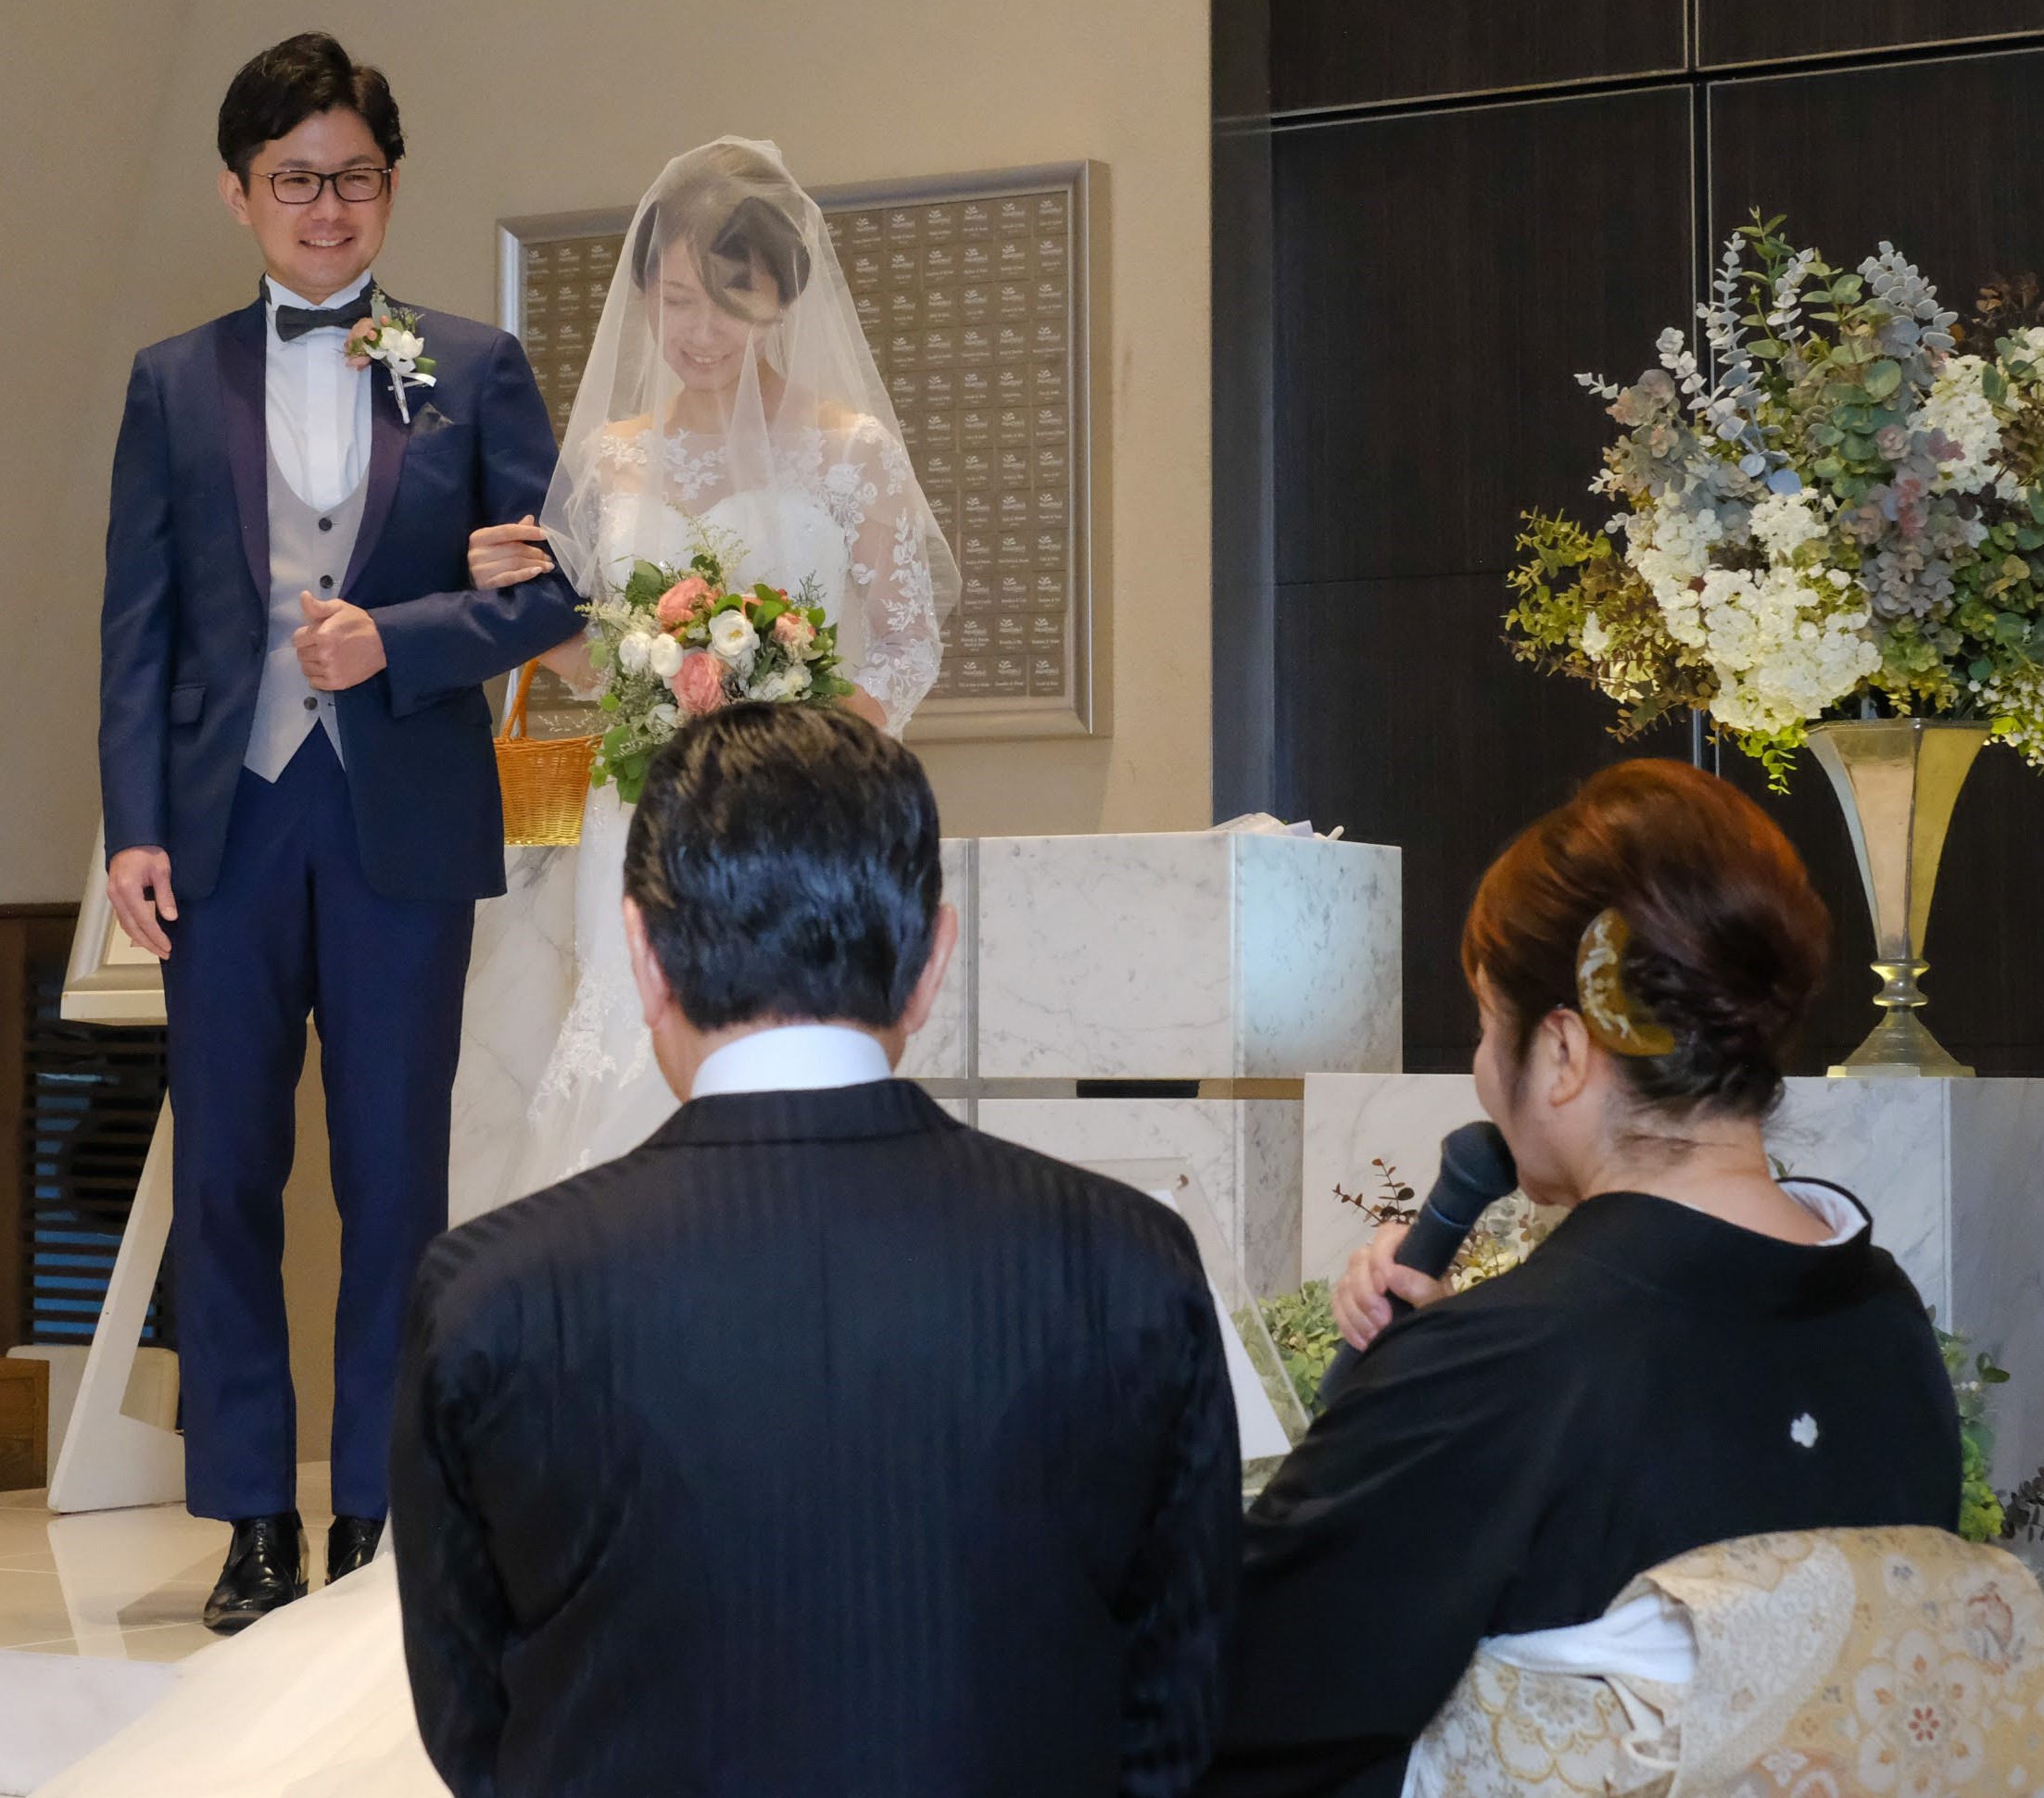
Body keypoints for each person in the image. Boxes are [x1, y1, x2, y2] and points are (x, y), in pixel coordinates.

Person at [389, 703, 1243, 1795]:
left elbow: (474, 1724)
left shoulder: (492, 1295)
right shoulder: (1127, 1265)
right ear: (932, 959)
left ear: (642, 956)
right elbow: (1177, 1701)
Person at [1198, 761, 1962, 1798]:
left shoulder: (1510, 1363)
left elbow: (1236, 1703)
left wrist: (1422, 1387)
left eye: (1485, 1023)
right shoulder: (1884, 1317)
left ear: (1561, 1050)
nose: (1482, 1068)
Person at [96, 32, 580, 1631]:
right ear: (238, 192)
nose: (326, 205)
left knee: (393, 1174)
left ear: (391, 184)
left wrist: (406, 638)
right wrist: (132, 826)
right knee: (227, 1175)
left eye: (353, 175)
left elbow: (556, 589)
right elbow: (139, 624)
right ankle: (251, 1516)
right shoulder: (172, 381)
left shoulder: (471, 364)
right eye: (294, 177)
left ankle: (376, 1509)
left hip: (400, 824)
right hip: (222, 826)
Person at [448, 135, 958, 1210]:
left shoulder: (849, 450)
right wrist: (506, 597)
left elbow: (907, 646)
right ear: (643, 296)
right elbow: (590, 659)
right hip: (633, 813)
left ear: (782, 300)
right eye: (676, 301)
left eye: (731, 302)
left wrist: (808, 756)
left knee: (766, 1056)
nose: (699, 331)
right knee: (624, 1050)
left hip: (794, 816)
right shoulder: (610, 458)